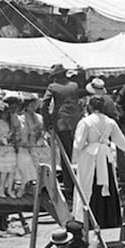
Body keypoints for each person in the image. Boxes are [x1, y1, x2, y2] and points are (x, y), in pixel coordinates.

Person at [72, 96, 125, 228]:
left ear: (90, 106)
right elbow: (123, 143)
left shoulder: (85, 122)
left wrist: (76, 157)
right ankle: (108, 219)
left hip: (90, 156)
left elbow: (78, 144)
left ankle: (88, 219)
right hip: (105, 156)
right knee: (107, 183)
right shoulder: (110, 122)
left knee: (88, 185)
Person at [41, 64, 82, 198]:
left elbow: (44, 105)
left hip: (61, 123)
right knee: (74, 153)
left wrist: (48, 123)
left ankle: (69, 187)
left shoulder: (53, 87)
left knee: (65, 155)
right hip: (75, 122)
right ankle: (75, 184)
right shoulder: (74, 86)